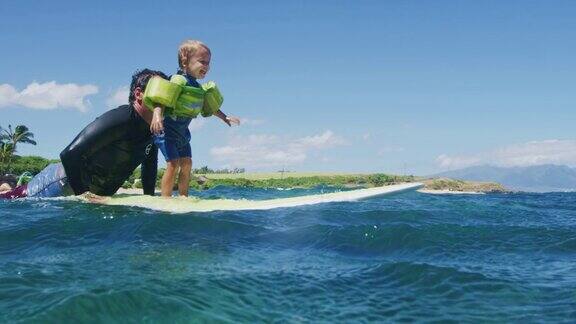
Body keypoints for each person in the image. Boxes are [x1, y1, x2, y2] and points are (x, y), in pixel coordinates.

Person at [0, 69, 167, 200]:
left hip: (89, 194)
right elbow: (70, 154)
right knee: (10, 200)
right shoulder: (123, 117)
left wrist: (149, 201)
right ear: (138, 94)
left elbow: (149, 168)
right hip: (58, 185)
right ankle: (7, 190)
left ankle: (6, 186)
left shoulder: (150, 129)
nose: (164, 100)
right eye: (160, 93)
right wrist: (84, 196)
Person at [149, 40, 240, 197]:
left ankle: (184, 197)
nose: (206, 66)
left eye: (208, 63)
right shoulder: (179, 80)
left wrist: (225, 117)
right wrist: (156, 115)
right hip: (167, 131)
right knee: (173, 164)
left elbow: (209, 107)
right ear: (185, 61)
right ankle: (165, 198)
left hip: (183, 134)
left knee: (187, 164)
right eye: (202, 61)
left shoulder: (198, 88)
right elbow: (162, 98)